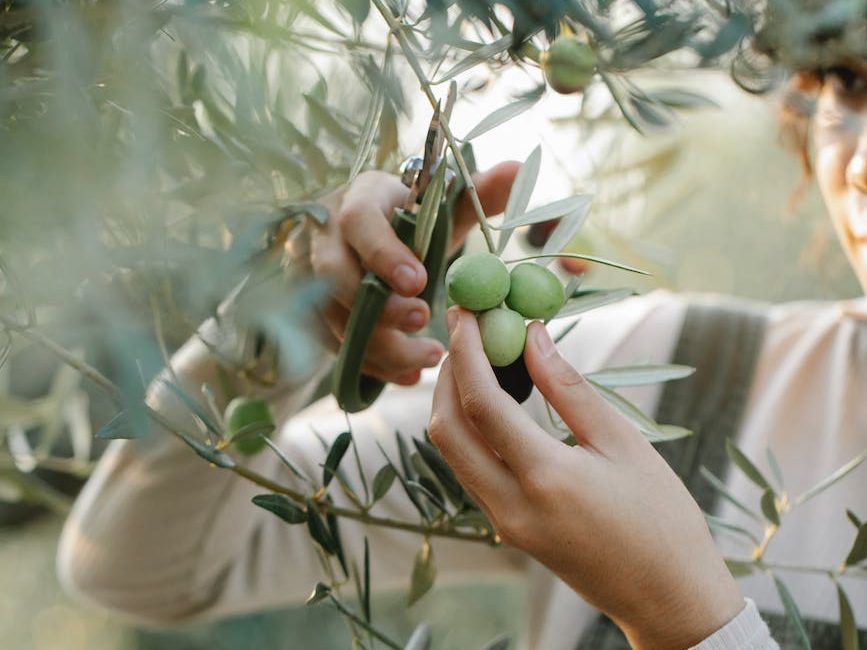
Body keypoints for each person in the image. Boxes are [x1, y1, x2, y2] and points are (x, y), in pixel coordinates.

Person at [56, 21, 867, 650]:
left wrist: (683, 620)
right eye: (850, 82)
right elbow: (136, 569)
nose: (860, 161)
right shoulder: (649, 380)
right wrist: (278, 329)